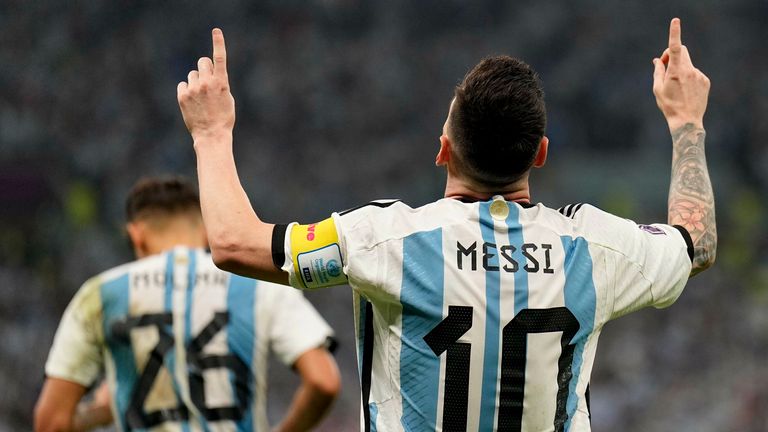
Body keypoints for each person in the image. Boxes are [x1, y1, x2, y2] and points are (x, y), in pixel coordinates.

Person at [176, 17, 715, 431]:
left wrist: (211, 132)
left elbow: (233, 244)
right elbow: (696, 242)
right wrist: (686, 121)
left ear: (443, 151)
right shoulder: (597, 248)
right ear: (541, 154)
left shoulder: (386, 239)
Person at [34, 176, 341, 432]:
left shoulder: (100, 294)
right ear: (207, 232)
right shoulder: (260, 285)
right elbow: (323, 381)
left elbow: (50, 423)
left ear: (136, 235)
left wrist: (99, 413)